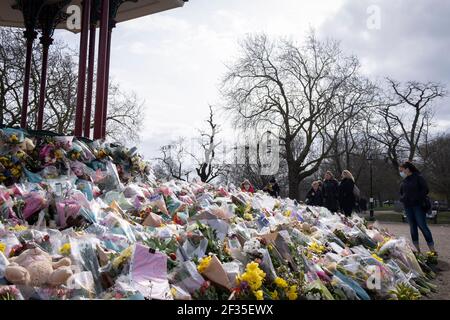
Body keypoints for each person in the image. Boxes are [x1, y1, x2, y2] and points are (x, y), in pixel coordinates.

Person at [399, 162, 436, 254]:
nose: (401, 172)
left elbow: (425, 190)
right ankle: (417, 250)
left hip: (418, 206)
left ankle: (432, 250)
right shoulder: (404, 180)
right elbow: (401, 192)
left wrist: (416, 198)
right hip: (408, 207)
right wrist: (403, 198)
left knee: (422, 226)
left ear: (407, 169)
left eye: (401, 170)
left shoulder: (418, 177)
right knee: (413, 227)